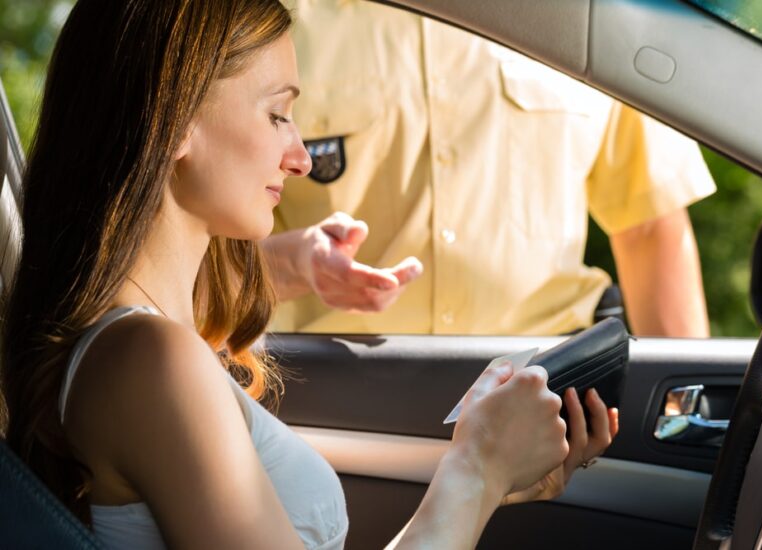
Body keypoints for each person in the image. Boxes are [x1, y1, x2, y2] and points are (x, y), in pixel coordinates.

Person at [0, 1, 618, 548]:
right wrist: (475, 471)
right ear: (175, 117)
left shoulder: (156, 346)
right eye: (277, 115)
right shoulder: (151, 360)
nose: (299, 157)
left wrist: (493, 472)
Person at [263, 0, 716, 338]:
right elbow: (199, 248)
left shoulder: (596, 13)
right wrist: (297, 265)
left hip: (553, 398)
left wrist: (685, 415)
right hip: (327, 409)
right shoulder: (263, 17)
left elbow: (651, 229)